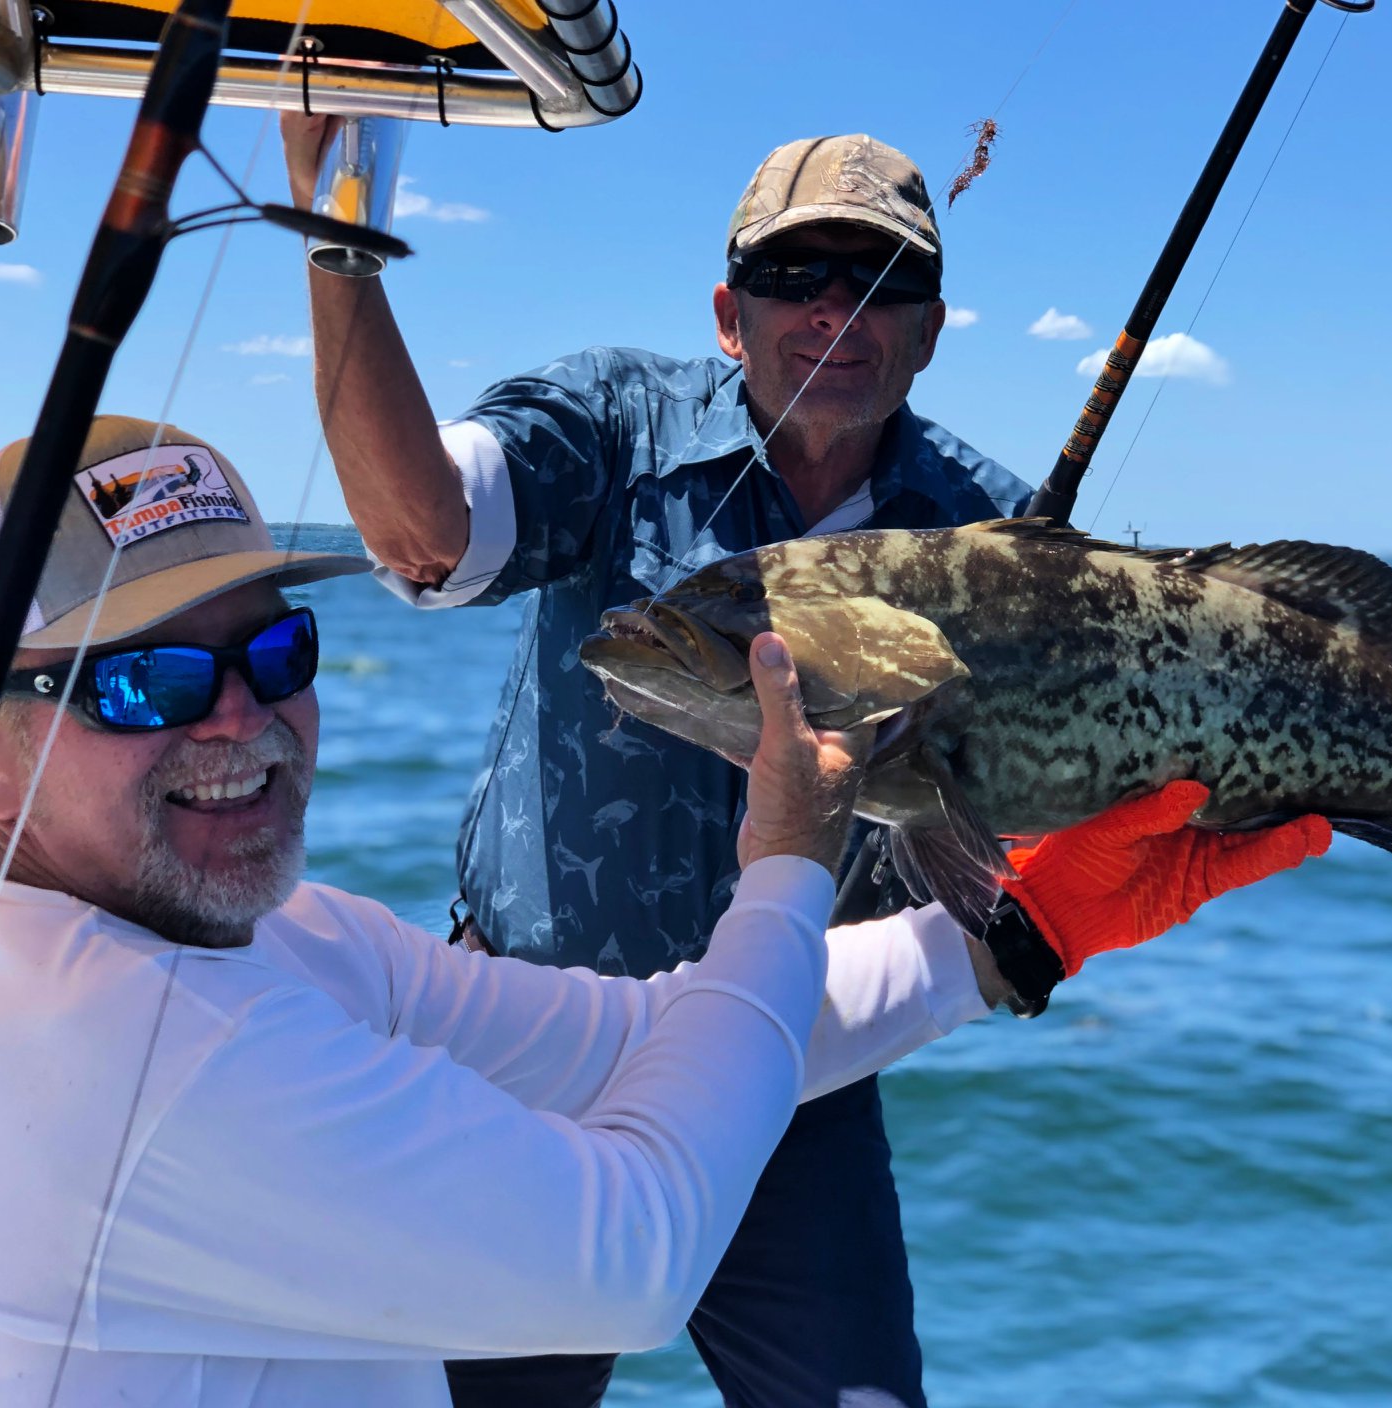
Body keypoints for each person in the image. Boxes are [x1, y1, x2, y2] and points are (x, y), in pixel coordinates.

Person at [0, 418, 1330, 1406]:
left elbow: (645, 1037)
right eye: (145, 682)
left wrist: (1007, 936)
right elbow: (633, 1260)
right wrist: (788, 855)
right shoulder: (127, 1064)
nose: (245, 719)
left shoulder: (282, 946)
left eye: (274, 646)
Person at [283, 122, 1038, 1406]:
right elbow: (423, 530)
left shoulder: (999, 537)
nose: (836, 311)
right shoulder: (611, 423)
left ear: (931, 328)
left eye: (881, 282)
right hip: (529, 1048)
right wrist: (337, 246)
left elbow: (1048, 805)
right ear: (729, 313)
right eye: (796, 275)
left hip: (798, 1069)